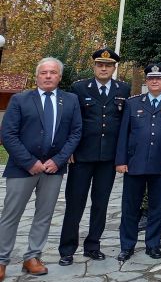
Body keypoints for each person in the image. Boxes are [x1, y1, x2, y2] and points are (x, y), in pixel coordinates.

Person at [0, 58, 82, 279]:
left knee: (44, 215)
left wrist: (59, 160)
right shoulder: (20, 99)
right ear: (37, 76)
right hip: (22, 168)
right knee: (11, 214)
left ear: (59, 77)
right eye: (44, 72)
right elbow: (7, 134)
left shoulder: (71, 100)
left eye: (53, 72)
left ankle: (32, 257)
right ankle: (1, 259)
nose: (48, 76)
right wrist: (29, 162)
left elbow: (76, 133)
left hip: (53, 168)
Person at [58, 48, 130, 266]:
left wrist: (121, 157)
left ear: (114, 68)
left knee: (101, 204)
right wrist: (67, 150)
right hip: (82, 157)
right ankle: (67, 249)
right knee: (75, 203)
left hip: (107, 158)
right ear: (94, 66)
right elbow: (69, 120)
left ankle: (93, 246)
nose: (104, 68)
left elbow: (123, 124)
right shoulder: (79, 88)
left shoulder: (123, 88)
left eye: (108, 65)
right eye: (100, 64)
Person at [116, 64, 161, 261]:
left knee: (157, 207)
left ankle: (152, 244)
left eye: (159, 78)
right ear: (146, 81)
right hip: (134, 163)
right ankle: (127, 245)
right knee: (130, 208)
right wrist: (121, 161)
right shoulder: (133, 103)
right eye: (151, 78)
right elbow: (123, 135)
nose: (155, 81)